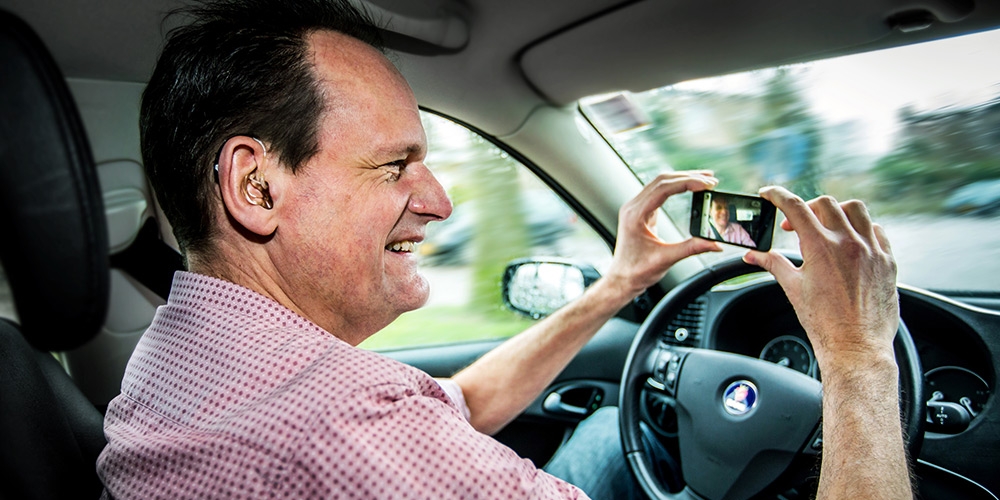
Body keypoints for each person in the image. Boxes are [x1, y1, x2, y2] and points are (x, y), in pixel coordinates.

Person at [96, 1, 912, 499]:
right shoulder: (344, 433)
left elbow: (453, 406)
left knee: (599, 438)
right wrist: (855, 360)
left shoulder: (176, 355)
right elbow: (377, 431)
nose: (440, 200)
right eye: (395, 165)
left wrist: (617, 284)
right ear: (258, 187)